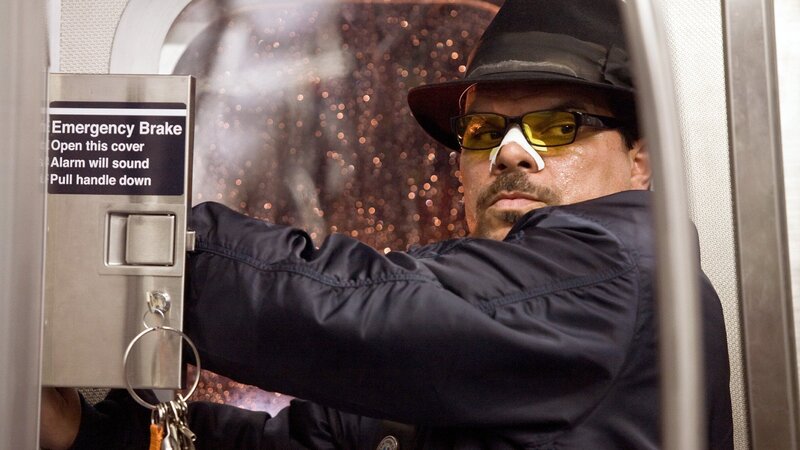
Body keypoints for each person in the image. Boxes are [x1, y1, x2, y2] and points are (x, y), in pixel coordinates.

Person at [41, 0, 733, 448]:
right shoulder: (465, 348)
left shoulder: (628, 273)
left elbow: (355, 309)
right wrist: (84, 433)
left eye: (557, 126)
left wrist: (125, 247)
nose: (510, 151)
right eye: (483, 131)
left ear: (640, 161)